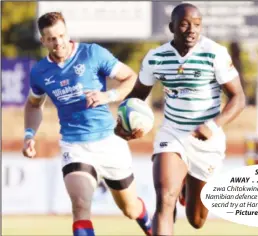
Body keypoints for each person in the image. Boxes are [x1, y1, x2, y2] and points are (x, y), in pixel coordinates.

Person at [115, 3, 246, 235]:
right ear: (172, 27)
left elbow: (239, 98)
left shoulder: (214, 53)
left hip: (207, 141)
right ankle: (177, 181)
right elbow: (136, 97)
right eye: (184, 24)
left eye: (197, 25)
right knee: (165, 198)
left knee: (196, 220)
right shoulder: (156, 58)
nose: (191, 30)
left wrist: (213, 125)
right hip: (172, 133)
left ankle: (187, 185)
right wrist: (125, 123)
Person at [22, 12, 152, 236]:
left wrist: (108, 96)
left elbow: (130, 77)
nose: (58, 42)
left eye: (61, 35)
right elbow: (34, 105)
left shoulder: (92, 53)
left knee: (130, 209)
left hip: (109, 142)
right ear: (43, 40)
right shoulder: (39, 72)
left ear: (67, 32)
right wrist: (29, 134)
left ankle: (151, 228)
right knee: (80, 208)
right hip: (75, 146)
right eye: (51, 38)